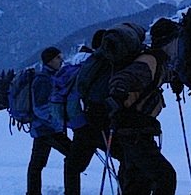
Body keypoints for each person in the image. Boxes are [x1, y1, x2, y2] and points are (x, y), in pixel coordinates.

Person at [65, 22, 179, 195]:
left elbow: (148, 76)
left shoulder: (153, 60)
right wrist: (117, 95)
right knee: (165, 177)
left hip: (123, 129)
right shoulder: (150, 60)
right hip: (132, 132)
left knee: (137, 181)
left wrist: (175, 77)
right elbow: (124, 79)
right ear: (170, 41)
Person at [27, 46, 71, 195]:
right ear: (50, 61)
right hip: (48, 129)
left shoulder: (49, 77)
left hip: (42, 128)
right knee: (74, 156)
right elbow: (40, 107)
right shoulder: (44, 80)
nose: (61, 60)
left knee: (36, 164)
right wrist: (58, 119)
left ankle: (33, 192)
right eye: (58, 57)